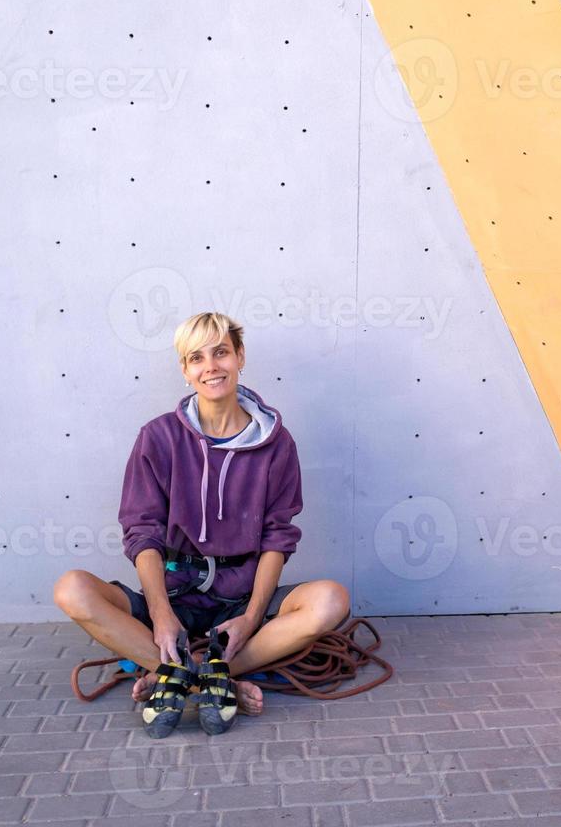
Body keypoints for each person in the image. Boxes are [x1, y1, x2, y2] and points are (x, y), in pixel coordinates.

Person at [53, 312, 350, 737]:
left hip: (239, 598)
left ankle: (207, 674)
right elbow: (144, 532)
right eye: (197, 358)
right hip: (173, 595)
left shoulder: (276, 443)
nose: (210, 366)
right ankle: (186, 671)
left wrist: (250, 618)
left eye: (221, 353)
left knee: (330, 600)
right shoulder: (158, 437)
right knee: (72, 589)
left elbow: (277, 538)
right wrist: (159, 613)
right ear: (185, 370)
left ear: (240, 357)